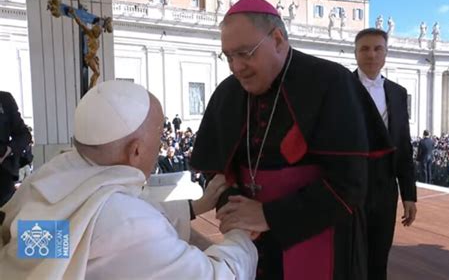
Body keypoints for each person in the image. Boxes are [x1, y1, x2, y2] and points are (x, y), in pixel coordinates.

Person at [0, 81, 257, 279]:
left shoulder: (52, 176)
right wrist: (240, 235)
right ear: (135, 151)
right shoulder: (125, 221)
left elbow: (72, 237)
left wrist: (195, 207)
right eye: (158, 138)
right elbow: (216, 275)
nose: (159, 147)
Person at [191, 0, 369, 280]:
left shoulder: (330, 81)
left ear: (277, 40)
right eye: (228, 56)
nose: (236, 67)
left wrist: (270, 215)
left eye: (245, 53)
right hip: (249, 239)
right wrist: (234, 204)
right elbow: (213, 169)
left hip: (317, 233)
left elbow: (350, 183)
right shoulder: (227, 92)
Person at [353, 28, 417, 280]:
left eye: (378, 48)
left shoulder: (398, 93)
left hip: (385, 189)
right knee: (349, 255)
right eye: (365, 49)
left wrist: (409, 195)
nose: (371, 54)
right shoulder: (339, 88)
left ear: (386, 53)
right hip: (349, 186)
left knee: (379, 256)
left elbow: (403, 145)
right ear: (355, 53)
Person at [0, 91, 32, 207]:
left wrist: (8, 149)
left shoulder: (4, 100)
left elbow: (24, 135)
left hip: (3, 175)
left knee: (8, 217)